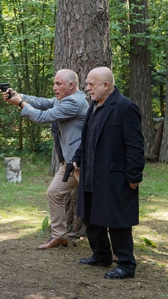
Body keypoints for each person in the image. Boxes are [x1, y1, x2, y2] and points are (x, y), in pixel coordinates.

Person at [2, 69, 88, 250]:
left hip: (81, 163)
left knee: (96, 202)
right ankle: (59, 236)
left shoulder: (73, 102)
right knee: (54, 193)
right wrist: (20, 96)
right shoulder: (64, 99)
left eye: (59, 84)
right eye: (54, 83)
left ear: (71, 86)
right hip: (70, 162)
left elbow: (43, 117)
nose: (54, 87)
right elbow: (43, 102)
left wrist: (21, 104)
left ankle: (114, 249)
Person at [72, 67, 145, 279]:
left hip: (115, 177)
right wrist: (77, 158)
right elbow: (87, 139)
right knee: (90, 217)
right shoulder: (94, 106)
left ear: (106, 85)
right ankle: (101, 255)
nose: (87, 89)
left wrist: (133, 176)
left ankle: (126, 265)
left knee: (117, 221)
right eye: (87, 84)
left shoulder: (125, 107)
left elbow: (135, 145)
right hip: (90, 174)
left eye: (91, 84)